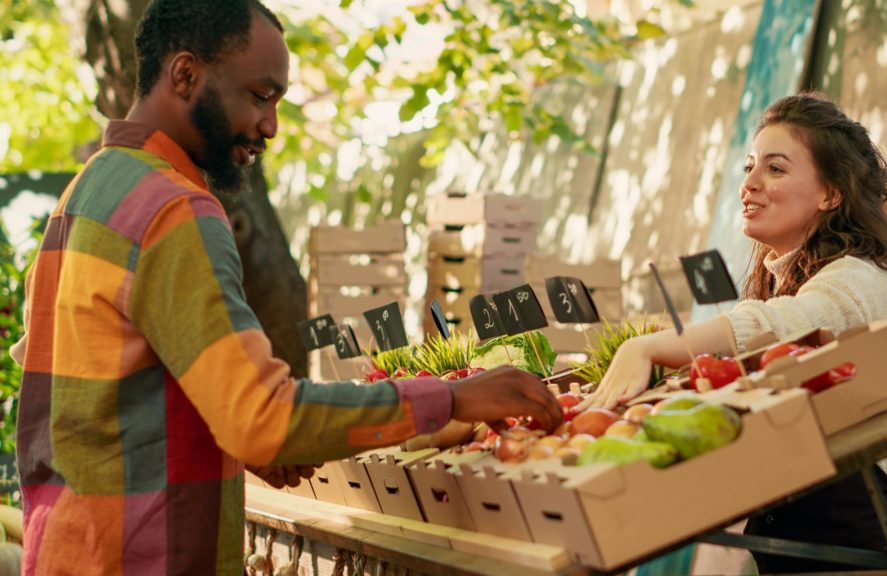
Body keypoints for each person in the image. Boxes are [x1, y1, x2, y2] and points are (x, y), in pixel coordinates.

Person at [8, 1, 562, 574]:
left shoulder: (87, 192)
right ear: (185, 75)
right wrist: (456, 397)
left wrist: (236, 442)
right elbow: (262, 418)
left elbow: (96, 392)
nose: (270, 124)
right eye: (259, 95)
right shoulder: (175, 209)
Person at [580, 93, 887, 574]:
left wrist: (648, 346)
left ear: (831, 193)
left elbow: (784, 324)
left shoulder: (854, 279)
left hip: (875, 553)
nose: (749, 184)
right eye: (750, 166)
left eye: (775, 169)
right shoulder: (792, 281)